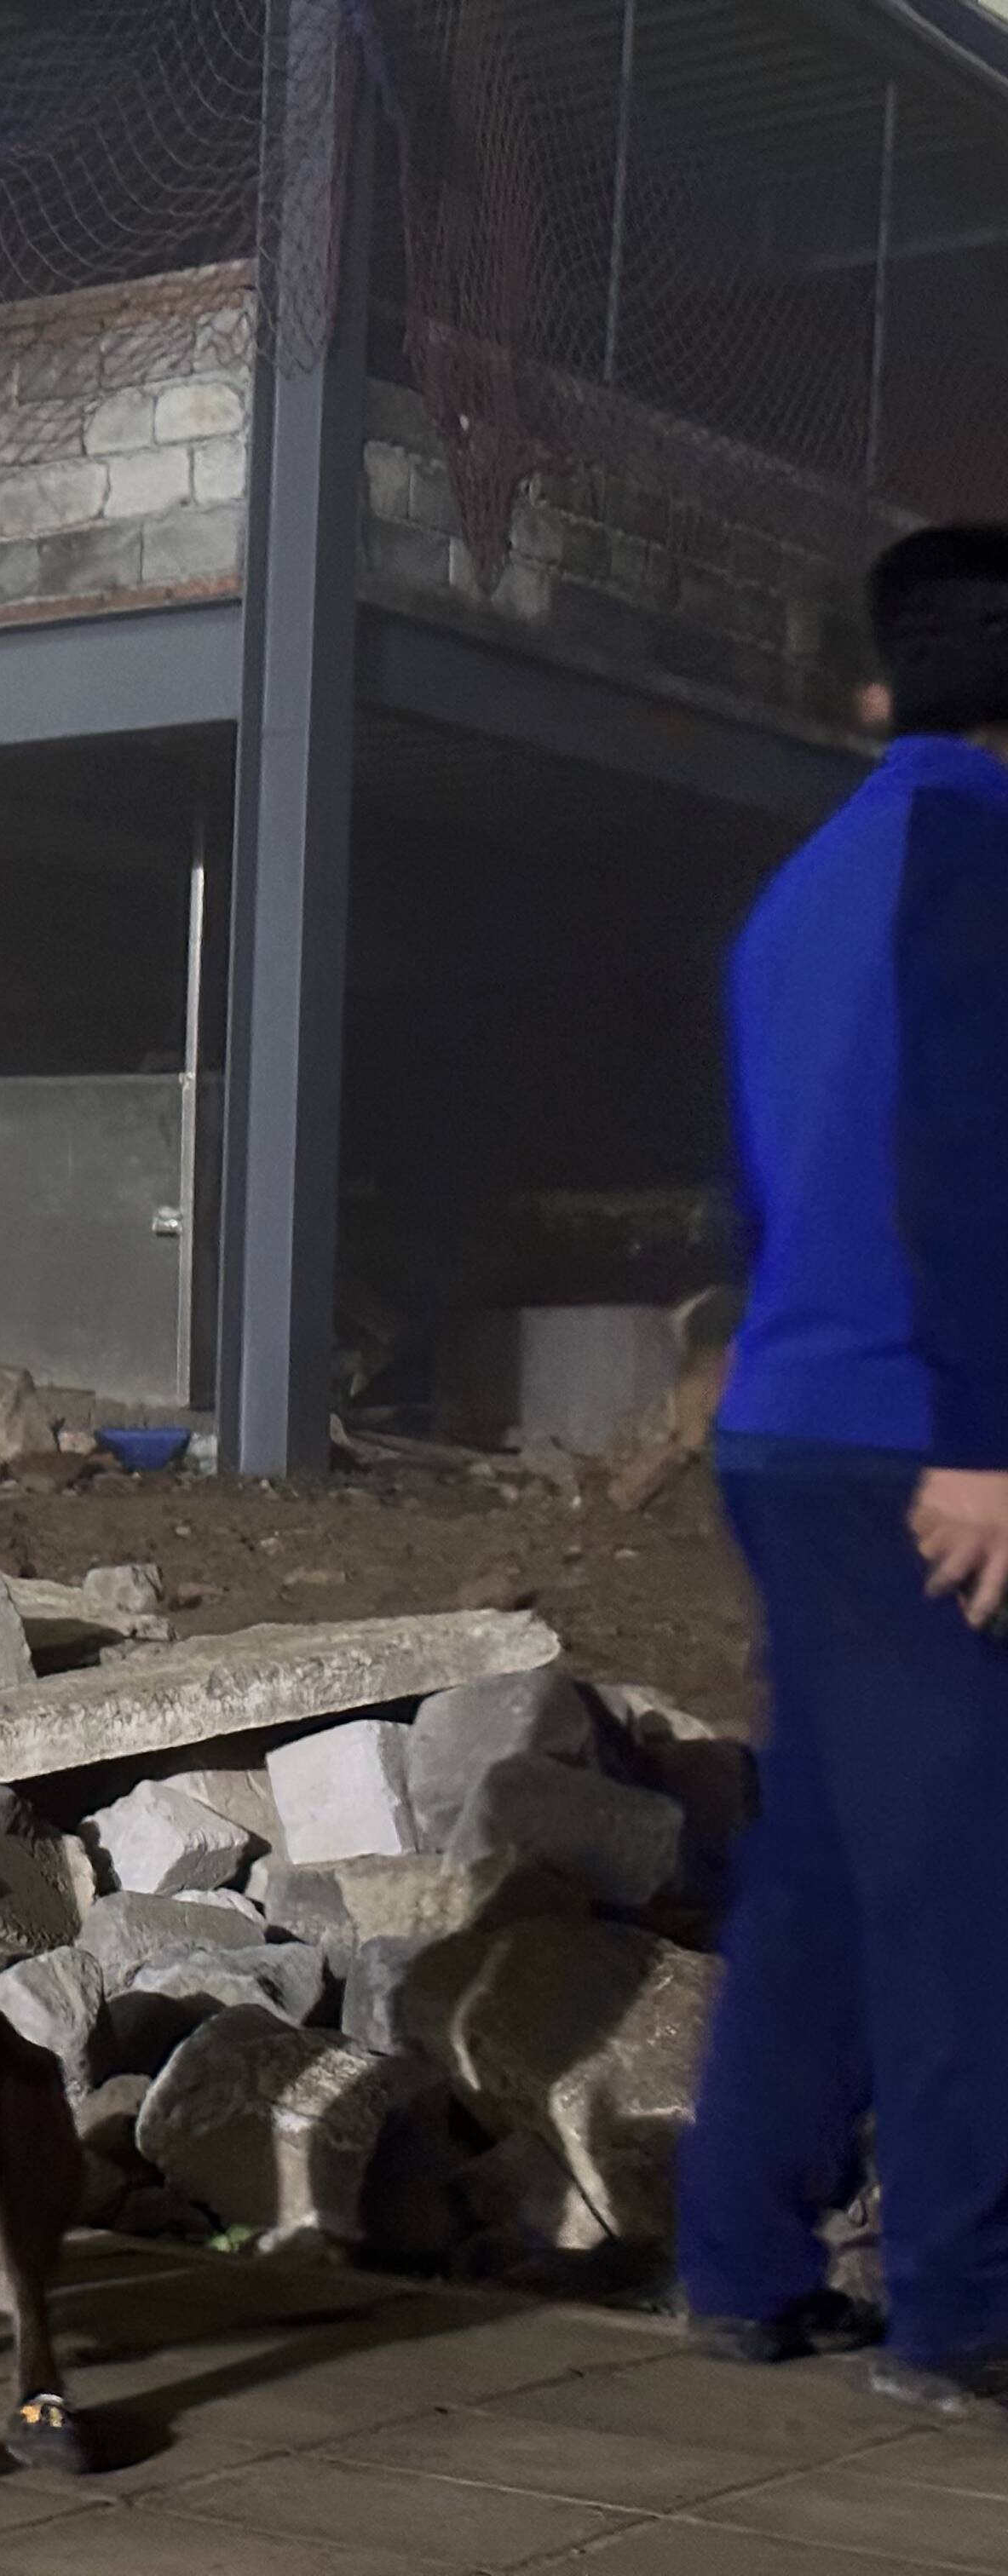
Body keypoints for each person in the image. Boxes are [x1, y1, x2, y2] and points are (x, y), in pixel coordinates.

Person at [681, 521, 1008, 2414]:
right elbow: (968, 1151)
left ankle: (742, 2258)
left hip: (795, 1429)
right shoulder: (979, 848)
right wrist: (984, 1439)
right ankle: (966, 2313)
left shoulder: (807, 882)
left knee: (819, 1855)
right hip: (919, 1441)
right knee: (970, 1880)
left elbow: (770, 1172)